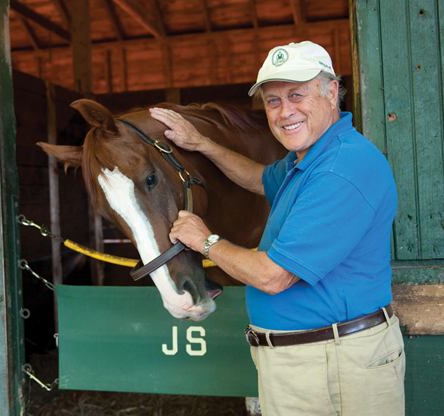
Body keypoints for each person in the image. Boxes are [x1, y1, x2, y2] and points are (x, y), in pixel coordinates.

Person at [149, 41, 405, 416]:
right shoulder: (312, 158)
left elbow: (273, 276)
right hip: (310, 358)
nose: (285, 112)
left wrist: (205, 241)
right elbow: (258, 178)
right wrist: (202, 144)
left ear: (331, 91)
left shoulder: (341, 168)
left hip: (333, 364)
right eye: (272, 101)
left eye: (297, 95)